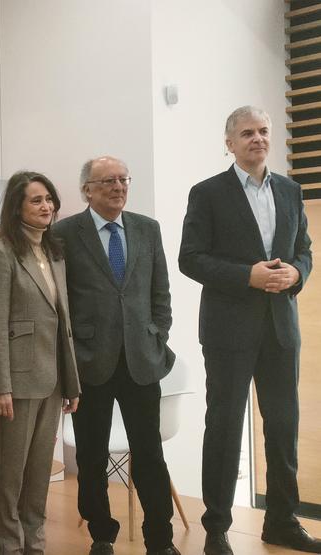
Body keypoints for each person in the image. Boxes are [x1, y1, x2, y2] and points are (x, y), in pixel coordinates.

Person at [179, 106, 318, 555]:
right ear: (229, 142)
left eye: (263, 131)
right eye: (246, 133)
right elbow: (191, 258)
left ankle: (281, 520)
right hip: (228, 331)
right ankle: (217, 528)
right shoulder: (207, 193)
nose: (257, 139)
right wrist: (247, 276)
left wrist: (296, 274)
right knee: (223, 427)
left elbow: (304, 250)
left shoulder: (291, 190)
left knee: (282, 427)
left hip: (281, 329)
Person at [54, 156, 180, 555]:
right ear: (86, 190)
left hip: (142, 359)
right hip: (91, 361)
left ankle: (159, 539)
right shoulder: (64, 234)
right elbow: (60, 300)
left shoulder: (147, 228)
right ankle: (101, 534)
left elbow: (160, 292)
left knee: (150, 455)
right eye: (107, 180)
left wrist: (157, 333)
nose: (118, 186)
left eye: (124, 179)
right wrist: (72, 351)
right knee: (91, 456)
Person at [0, 170, 80, 555]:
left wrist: (72, 383)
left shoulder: (54, 253)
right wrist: (0, 385)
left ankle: (34, 546)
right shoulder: (0, 253)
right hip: (17, 383)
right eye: (36, 200)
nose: (47, 206)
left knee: (39, 474)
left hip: (52, 379)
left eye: (49, 199)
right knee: (10, 476)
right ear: (16, 208)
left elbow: (62, 323)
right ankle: (9, 546)